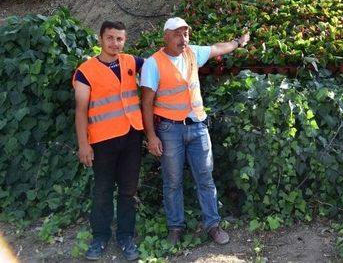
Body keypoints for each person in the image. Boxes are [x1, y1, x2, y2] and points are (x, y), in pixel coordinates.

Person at [140, 17, 250, 246]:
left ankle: (213, 225)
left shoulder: (192, 53)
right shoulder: (153, 63)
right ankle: (175, 228)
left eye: (186, 34)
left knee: (205, 178)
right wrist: (151, 136)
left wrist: (238, 42)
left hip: (198, 126)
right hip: (170, 130)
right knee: (172, 182)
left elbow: (218, 48)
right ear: (166, 36)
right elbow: (146, 103)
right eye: (178, 34)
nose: (183, 39)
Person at [73, 21, 145, 261]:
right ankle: (100, 236)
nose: (115, 43)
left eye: (120, 39)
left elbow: (160, 67)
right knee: (102, 191)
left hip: (131, 137)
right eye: (111, 38)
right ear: (101, 39)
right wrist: (84, 144)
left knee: (128, 190)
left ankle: (126, 236)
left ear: (125, 41)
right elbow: (81, 110)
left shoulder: (131, 62)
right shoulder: (86, 71)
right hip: (103, 141)